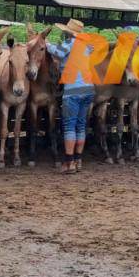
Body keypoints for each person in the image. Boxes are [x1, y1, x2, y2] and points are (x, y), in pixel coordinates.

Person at [46, 18, 95, 174]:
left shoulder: (68, 43)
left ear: (68, 32)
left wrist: (45, 43)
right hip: (88, 89)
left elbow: (56, 52)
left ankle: (69, 163)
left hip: (73, 90)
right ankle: (78, 160)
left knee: (69, 126)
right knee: (81, 125)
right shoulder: (86, 45)